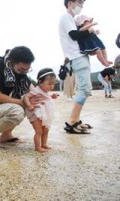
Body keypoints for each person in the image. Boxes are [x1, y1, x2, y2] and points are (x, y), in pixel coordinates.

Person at [59, 0, 93, 134]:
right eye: (79, 2)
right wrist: (89, 30)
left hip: (79, 56)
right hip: (76, 56)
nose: (81, 5)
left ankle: (76, 119)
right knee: (84, 89)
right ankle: (72, 122)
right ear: (70, 2)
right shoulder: (66, 17)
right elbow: (73, 35)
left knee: (85, 88)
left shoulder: (71, 19)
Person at [24, 68, 59, 153]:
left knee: (46, 129)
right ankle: (37, 147)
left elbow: (45, 98)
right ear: (40, 82)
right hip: (36, 114)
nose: (52, 86)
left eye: (53, 84)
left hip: (44, 114)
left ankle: (44, 144)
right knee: (39, 131)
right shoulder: (36, 90)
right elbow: (26, 97)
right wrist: (29, 105)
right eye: (49, 84)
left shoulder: (45, 91)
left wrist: (52, 97)